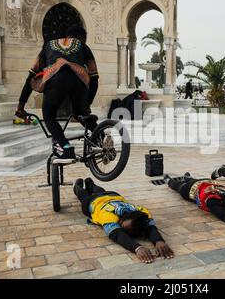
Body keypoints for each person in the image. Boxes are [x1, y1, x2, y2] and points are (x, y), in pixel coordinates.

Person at [15, 25, 99, 163]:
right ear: (82, 38)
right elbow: (94, 79)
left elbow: (31, 75)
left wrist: (20, 106)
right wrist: (87, 105)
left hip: (55, 80)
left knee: (49, 117)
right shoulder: (84, 47)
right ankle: (102, 140)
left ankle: (66, 149)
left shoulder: (49, 45)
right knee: (82, 114)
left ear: (67, 35)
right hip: (79, 80)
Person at [74, 178, 174, 264]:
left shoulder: (142, 212)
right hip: (93, 201)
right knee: (83, 195)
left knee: (99, 190)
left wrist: (158, 241)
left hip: (113, 195)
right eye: (121, 224)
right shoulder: (108, 215)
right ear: (123, 217)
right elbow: (116, 234)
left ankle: (91, 184)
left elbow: (150, 227)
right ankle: (78, 187)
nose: (120, 227)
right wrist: (137, 248)